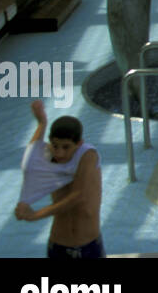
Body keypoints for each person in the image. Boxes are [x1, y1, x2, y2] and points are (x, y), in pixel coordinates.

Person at [14, 100, 103, 259]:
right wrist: (42, 123)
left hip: (88, 245)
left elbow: (78, 196)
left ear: (79, 144)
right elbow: (30, 159)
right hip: (59, 245)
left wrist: (36, 215)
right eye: (55, 146)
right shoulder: (48, 156)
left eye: (66, 147)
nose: (60, 153)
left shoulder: (88, 155)